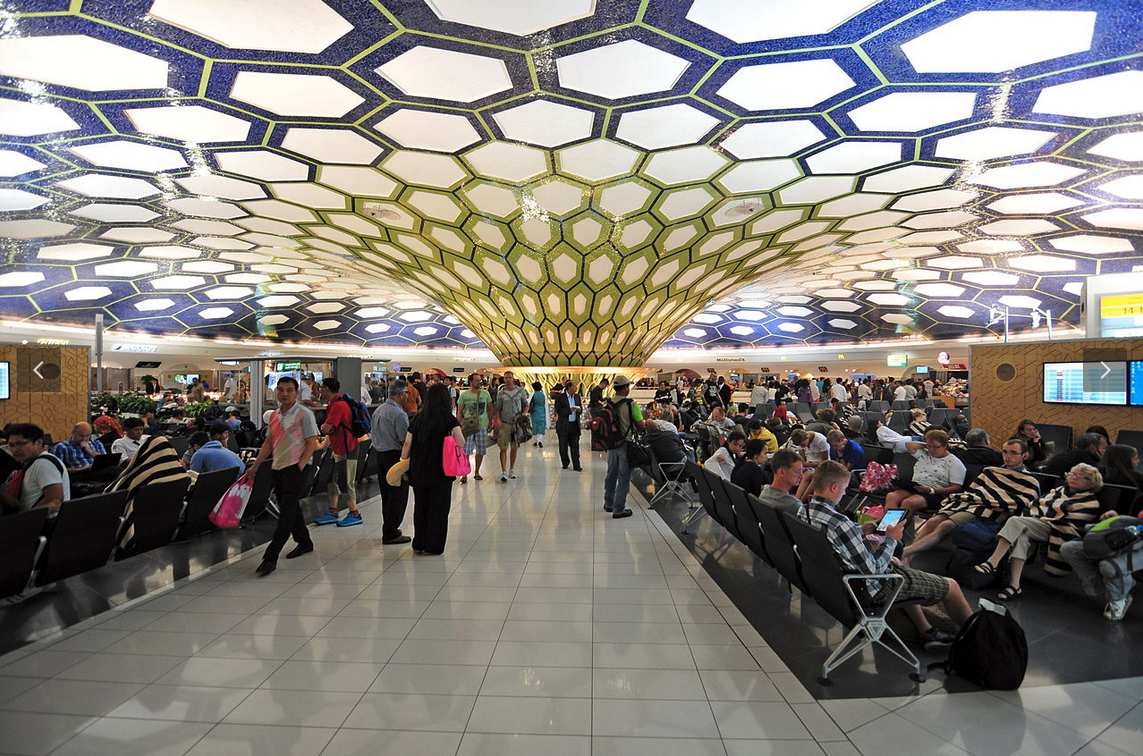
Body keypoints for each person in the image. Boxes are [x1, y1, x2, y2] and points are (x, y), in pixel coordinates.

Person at [801, 461, 970, 649]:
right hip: (867, 588)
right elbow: (873, 570)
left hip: (830, 584)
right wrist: (891, 539)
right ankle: (975, 641)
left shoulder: (805, 511)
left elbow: (837, 538)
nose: (843, 493)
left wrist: (861, 529)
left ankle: (926, 631)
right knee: (952, 586)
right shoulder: (840, 523)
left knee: (899, 566)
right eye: (844, 488)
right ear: (834, 487)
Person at [974, 463, 1102, 600]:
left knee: (1015, 521)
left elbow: (1071, 524)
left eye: (1079, 476)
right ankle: (1014, 585)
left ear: (1091, 482)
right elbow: (1036, 504)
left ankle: (992, 562)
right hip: (1040, 523)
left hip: (1059, 531)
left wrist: (1046, 516)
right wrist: (1047, 514)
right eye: (1071, 474)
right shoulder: (1059, 490)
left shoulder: (1091, 502)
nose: (1073, 477)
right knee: (1022, 536)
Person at [902, 438, 1041, 563]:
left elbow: (1022, 501)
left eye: (1013, 453)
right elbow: (973, 490)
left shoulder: (1029, 480)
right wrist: (979, 496)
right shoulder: (991, 471)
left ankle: (905, 552)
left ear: (1025, 455)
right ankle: (907, 554)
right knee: (932, 521)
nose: (1007, 456)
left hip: (986, 508)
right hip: (968, 502)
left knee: (945, 526)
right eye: (1004, 452)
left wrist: (988, 497)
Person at [249, 377, 319, 577]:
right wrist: (255, 466)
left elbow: (312, 442)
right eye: (280, 390)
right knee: (290, 507)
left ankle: (270, 556)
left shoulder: (304, 414)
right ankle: (304, 542)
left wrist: (300, 465)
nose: (284, 394)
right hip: (278, 466)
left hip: (296, 468)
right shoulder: (274, 415)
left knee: (286, 513)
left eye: (289, 390)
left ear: (297, 393)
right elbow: (268, 443)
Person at [401, 382, 464, 555]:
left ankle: (419, 542)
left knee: (421, 506)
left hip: (419, 469)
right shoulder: (448, 419)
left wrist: (403, 462)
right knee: (439, 508)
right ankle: (434, 546)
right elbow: (461, 442)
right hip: (442, 470)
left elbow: (407, 443)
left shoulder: (419, 418)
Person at [312, 378, 362, 527]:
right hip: (337, 449)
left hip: (347, 449)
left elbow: (326, 429)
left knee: (345, 482)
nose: (319, 390)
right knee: (332, 480)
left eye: (321, 387)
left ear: (326, 389)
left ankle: (355, 513)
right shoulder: (334, 404)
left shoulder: (339, 406)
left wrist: (325, 427)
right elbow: (330, 430)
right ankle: (333, 511)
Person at [885, 429, 966, 514]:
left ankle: (897, 526)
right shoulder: (926, 454)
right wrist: (926, 445)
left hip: (936, 493)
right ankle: (888, 525)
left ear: (945, 446)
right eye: (929, 446)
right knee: (891, 496)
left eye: (935, 447)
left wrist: (932, 490)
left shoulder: (955, 463)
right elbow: (909, 445)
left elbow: (956, 487)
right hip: (916, 487)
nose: (931, 450)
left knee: (908, 502)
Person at [371, 380, 412, 545]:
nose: (408, 396)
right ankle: (390, 533)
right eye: (407, 393)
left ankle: (389, 528)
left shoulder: (378, 410)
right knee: (398, 495)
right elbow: (405, 441)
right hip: (395, 457)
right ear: (401, 394)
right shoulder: (399, 414)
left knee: (387, 495)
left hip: (380, 456)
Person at [0, 423, 68, 514]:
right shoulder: (29, 462)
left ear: (38, 442)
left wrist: (25, 518)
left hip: (43, 524)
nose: (15, 450)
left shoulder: (44, 463)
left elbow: (55, 501)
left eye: (20, 444)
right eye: (11, 445)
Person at [602, 375, 644, 519]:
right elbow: (641, 425)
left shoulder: (607, 403)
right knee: (624, 476)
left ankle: (609, 503)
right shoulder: (632, 405)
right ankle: (619, 509)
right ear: (626, 387)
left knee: (611, 473)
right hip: (626, 444)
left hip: (611, 444)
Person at [491, 370, 529, 482]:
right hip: (504, 422)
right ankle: (503, 471)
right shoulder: (501, 393)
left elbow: (526, 405)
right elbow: (497, 408)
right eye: (506, 377)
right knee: (503, 447)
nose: (508, 379)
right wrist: (496, 419)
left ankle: (512, 469)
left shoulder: (520, 391)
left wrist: (524, 416)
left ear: (513, 379)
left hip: (517, 423)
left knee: (514, 447)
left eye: (509, 377)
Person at [457, 374, 491, 482]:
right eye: (476, 380)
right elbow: (460, 412)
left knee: (481, 449)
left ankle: (477, 471)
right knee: (466, 450)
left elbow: (490, 409)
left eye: (480, 380)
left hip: (482, 425)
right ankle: (465, 473)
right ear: (471, 382)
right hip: (468, 425)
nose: (479, 382)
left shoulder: (486, 394)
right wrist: (458, 426)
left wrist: (490, 422)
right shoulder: (464, 395)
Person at [756, 449, 804, 514]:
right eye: (797, 471)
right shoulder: (794, 506)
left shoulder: (764, 492)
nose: (801, 476)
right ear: (782, 472)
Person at [1043, 432, 1108, 479]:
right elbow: (1100, 480)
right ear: (1093, 448)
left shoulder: (1065, 456)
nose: (1107, 451)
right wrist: (1102, 461)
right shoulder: (1087, 462)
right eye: (1105, 448)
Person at [553, 380, 583, 471]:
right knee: (563, 447)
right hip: (563, 425)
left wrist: (579, 410)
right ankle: (565, 462)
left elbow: (580, 407)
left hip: (574, 425)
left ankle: (576, 465)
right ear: (569, 388)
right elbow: (558, 410)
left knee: (575, 446)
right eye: (574, 386)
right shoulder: (560, 397)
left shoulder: (577, 397)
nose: (576, 388)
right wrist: (570, 410)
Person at [528, 381, 547, 448]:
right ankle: (540, 440)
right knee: (541, 425)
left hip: (534, 411)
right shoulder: (543, 394)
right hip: (542, 410)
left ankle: (535, 440)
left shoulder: (533, 394)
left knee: (535, 426)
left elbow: (529, 403)